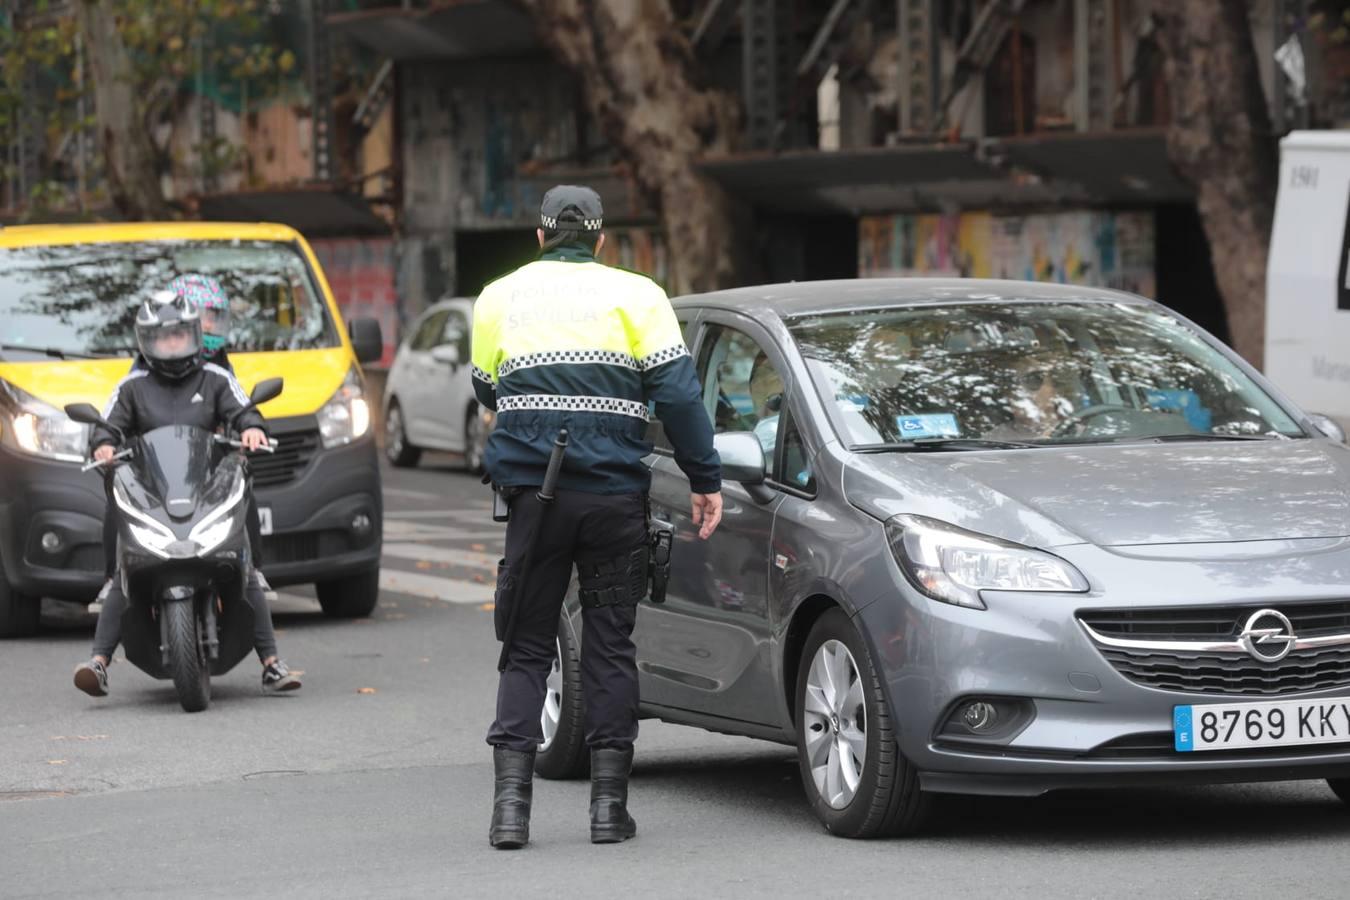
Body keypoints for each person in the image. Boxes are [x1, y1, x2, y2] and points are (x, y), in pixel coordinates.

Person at [471, 184, 722, 849]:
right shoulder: (639, 295)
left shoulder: (500, 296)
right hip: (614, 500)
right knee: (610, 646)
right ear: (602, 240)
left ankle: (510, 814)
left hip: (536, 500)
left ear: (541, 237)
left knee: (526, 647)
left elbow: (485, 386)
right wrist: (706, 479)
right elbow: (678, 393)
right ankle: (609, 811)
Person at [73, 290, 300, 697]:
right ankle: (99, 661)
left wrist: (252, 428)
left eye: (179, 335)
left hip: (209, 492)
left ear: (195, 335)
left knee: (242, 562)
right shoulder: (131, 387)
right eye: (162, 337)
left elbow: (244, 409)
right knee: (124, 570)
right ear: (145, 341)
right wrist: (103, 445)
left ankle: (270, 663)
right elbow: (107, 426)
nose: (171, 344)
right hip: (153, 497)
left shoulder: (216, 379)